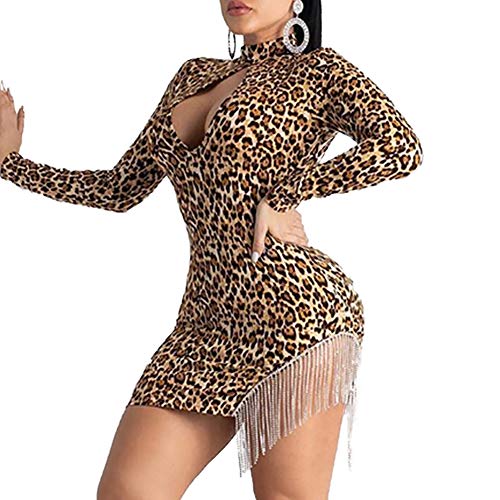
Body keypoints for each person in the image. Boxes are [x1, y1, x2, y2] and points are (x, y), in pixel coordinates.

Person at [0, 0, 423, 498]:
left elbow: (401, 146)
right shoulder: (192, 76)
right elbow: (119, 189)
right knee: (127, 491)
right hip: (204, 319)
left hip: (295, 314)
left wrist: (286, 192)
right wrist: (10, 164)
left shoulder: (321, 71)